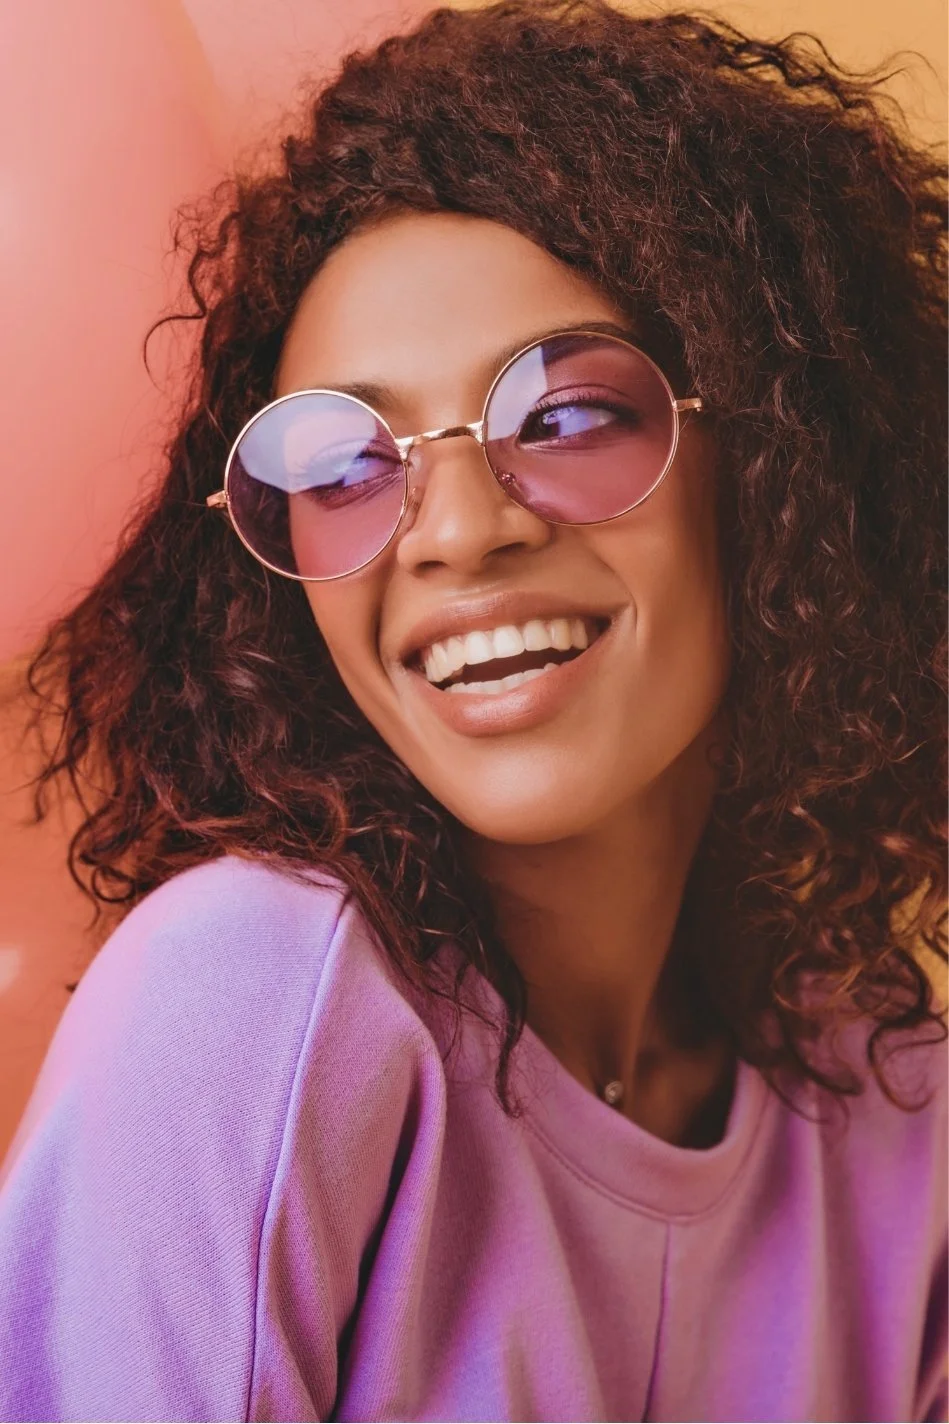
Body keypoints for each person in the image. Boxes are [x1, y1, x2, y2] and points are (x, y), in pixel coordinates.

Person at [0, 1, 946, 1419]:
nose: (450, 533)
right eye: (342, 464)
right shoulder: (255, 994)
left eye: (562, 418)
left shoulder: (898, 1126)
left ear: (773, 455)